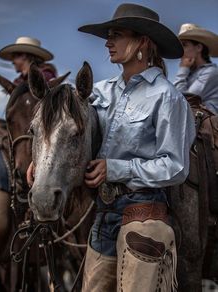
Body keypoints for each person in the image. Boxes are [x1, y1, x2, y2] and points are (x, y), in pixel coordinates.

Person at [77, 3, 196, 291]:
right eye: (108, 35)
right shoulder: (100, 92)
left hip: (143, 212)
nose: (108, 42)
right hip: (102, 214)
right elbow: (71, 132)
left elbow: (175, 166)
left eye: (116, 34)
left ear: (142, 41)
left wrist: (115, 168)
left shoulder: (166, 97)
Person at [174, 23, 218, 114]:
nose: (180, 50)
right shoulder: (190, 74)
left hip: (207, 126)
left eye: (184, 45)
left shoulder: (211, 72)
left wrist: (183, 69)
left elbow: (185, 101)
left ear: (198, 48)